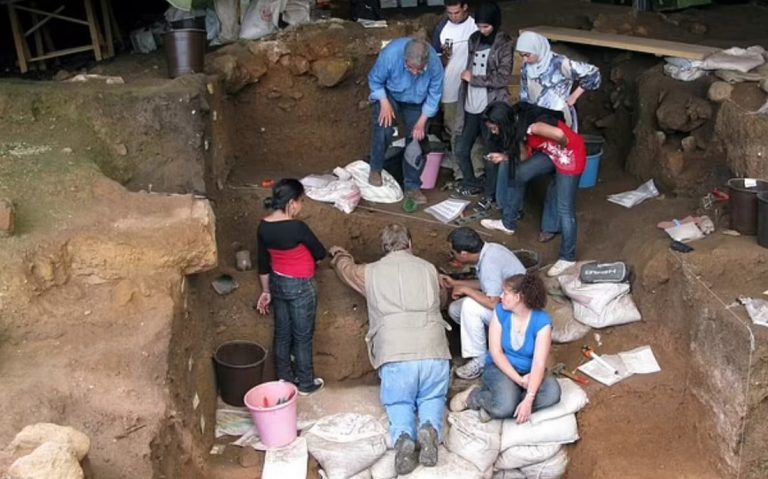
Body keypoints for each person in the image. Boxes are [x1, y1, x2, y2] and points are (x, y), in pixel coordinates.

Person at [329, 224, 451, 475]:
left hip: (395, 353)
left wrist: (340, 255)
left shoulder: (370, 272)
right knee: (432, 397)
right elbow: (441, 300)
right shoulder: (429, 269)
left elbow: (346, 271)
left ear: (384, 248)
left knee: (399, 401)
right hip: (434, 349)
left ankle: (404, 438)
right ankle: (429, 429)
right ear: (410, 245)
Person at [479, 101, 586, 277]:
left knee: (565, 209)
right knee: (518, 173)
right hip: (550, 154)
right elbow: (522, 156)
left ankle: (568, 257)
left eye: (494, 128)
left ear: (503, 123)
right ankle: (508, 223)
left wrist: (561, 148)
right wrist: (505, 157)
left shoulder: (533, 127)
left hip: (570, 155)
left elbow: (561, 135)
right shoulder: (518, 127)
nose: (493, 132)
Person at [450, 273, 562, 423]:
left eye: (506, 293)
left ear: (518, 297)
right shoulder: (500, 312)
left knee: (552, 393)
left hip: (529, 372)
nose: (501, 296)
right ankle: (475, 397)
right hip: (500, 368)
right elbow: (496, 353)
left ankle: (505, 402)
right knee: (503, 408)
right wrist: (520, 381)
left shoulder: (542, 322)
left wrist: (529, 398)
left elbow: (539, 363)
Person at [256, 179, 327, 396]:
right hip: (301, 286)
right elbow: (320, 252)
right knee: (302, 336)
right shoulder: (297, 227)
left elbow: (263, 263)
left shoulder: (263, 226)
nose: (301, 205)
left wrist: (266, 291)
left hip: (277, 283)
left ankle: (285, 379)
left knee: (283, 334)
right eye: (301, 201)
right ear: (292, 203)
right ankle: (305, 383)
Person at [452, 1, 514, 210]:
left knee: (490, 153)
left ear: (495, 24)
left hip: (490, 107)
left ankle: (490, 195)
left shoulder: (504, 43)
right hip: (470, 104)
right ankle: (471, 184)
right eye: (479, 26)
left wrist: (475, 79)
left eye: (486, 26)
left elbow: (503, 77)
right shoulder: (474, 39)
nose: (482, 30)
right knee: (461, 149)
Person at [368, 37, 444, 205]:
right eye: (411, 68)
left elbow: (434, 95)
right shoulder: (390, 55)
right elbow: (375, 80)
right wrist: (384, 103)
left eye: (420, 70)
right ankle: (375, 169)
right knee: (384, 127)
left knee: (417, 139)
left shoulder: (435, 65)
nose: (416, 73)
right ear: (405, 60)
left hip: (417, 101)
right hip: (390, 95)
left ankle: (412, 186)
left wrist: (422, 121)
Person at [443, 227, 526, 380]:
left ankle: (480, 360)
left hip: (518, 317)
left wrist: (467, 291)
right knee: (455, 309)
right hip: (510, 306)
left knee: (469, 306)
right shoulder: (490, 250)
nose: (452, 256)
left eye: (453, 253)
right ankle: (490, 339)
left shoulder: (489, 263)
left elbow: (493, 303)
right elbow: (486, 284)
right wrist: (456, 283)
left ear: (464, 254)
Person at [431, 0, 483, 185]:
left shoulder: (477, 25)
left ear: (465, 7)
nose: (453, 17)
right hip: (450, 89)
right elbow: (437, 62)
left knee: (475, 128)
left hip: (475, 87)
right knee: (455, 131)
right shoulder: (441, 29)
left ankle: (478, 170)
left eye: (457, 13)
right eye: (450, 13)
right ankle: (460, 172)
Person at [516, 31, 601, 131]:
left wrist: (574, 96)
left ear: (537, 49)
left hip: (558, 119)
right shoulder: (527, 67)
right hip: (535, 118)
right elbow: (524, 93)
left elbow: (593, 73)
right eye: (522, 56)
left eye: (527, 55)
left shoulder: (559, 63)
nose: (524, 60)